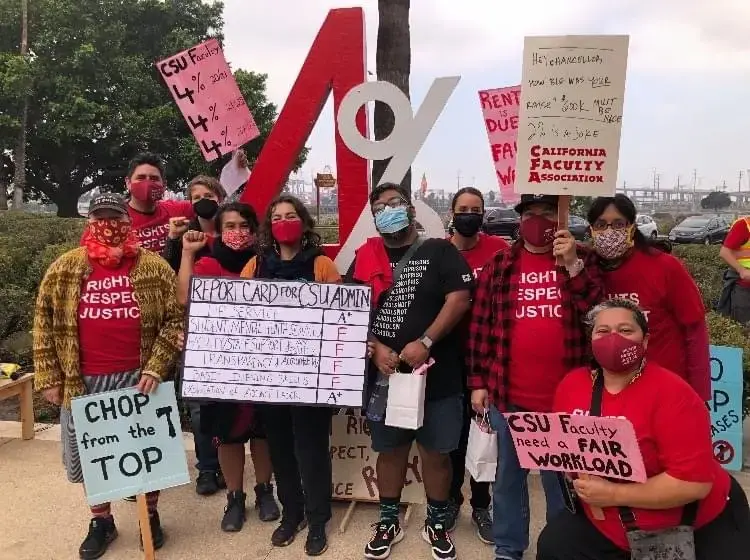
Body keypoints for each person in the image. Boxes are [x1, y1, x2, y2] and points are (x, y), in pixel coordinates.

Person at [537, 298, 750, 560]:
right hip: (609, 528)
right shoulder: (571, 387)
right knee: (554, 544)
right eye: (602, 331)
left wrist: (613, 494)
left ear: (645, 341)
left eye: (626, 330)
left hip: (696, 526)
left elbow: (693, 484)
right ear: (590, 341)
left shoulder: (674, 394)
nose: (613, 338)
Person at [33, 194, 183, 559]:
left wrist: (156, 366)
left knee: (149, 454)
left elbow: (174, 320)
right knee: (94, 458)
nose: (108, 224)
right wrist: (49, 377)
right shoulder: (65, 267)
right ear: (89, 221)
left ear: (126, 220)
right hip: (82, 380)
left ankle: (150, 513)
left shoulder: (154, 267)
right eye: (100, 217)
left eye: (114, 217)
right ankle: (102, 520)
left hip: (141, 379)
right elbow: (44, 322)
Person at [467, 194, 604, 560]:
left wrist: (572, 265)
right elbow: (481, 326)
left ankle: (560, 550)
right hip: (507, 395)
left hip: (564, 400)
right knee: (507, 481)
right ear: (520, 219)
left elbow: (598, 316)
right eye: (531, 214)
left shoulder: (583, 259)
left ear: (559, 220)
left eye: (547, 214)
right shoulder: (501, 263)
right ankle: (509, 547)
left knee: (560, 486)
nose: (538, 220)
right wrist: (478, 382)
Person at [350, 183, 473, 560]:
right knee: (391, 451)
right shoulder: (365, 256)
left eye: (395, 203)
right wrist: (376, 349)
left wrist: (427, 342)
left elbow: (460, 298)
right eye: (380, 207)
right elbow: (353, 308)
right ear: (373, 219)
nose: (388, 210)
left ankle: (436, 521)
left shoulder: (440, 250)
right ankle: (388, 520)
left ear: (411, 210)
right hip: (387, 378)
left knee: (436, 454)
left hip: (439, 374)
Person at [240, 194, 341, 556]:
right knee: (281, 450)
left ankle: (317, 520)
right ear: (270, 226)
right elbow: (240, 318)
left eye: (291, 215)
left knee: (312, 450)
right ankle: (291, 514)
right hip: (270, 378)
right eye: (277, 216)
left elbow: (338, 322)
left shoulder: (322, 265)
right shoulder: (255, 267)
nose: (284, 221)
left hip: (310, 378)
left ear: (303, 222)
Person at [177, 202, 280, 529]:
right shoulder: (208, 264)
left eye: (244, 225)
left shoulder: (267, 264)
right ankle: (235, 497)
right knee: (230, 435)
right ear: (219, 231)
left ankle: (265, 490)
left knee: (263, 434)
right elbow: (184, 299)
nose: (238, 232)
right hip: (223, 366)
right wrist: (187, 253)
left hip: (264, 363)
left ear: (255, 230)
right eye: (231, 225)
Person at [587, 194, 711, 400]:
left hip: (665, 390)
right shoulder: (587, 274)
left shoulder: (664, 267)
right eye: (601, 224)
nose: (609, 232)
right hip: (610, 393)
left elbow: (695, 331)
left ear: (632, 228)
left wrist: (698, 394)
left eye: (618, 224)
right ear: (591, 229)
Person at [446, 187, 508, 543]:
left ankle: (482, 505)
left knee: (485, 436)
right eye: (463, 209)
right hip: (447, 360)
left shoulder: (500, 251)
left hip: (486, 359)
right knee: (453, 439)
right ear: (452, 213)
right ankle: (452, 500)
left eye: (476, 209)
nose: (469, 214)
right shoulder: (439, 251)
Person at [82, 153, 194, 252]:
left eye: (154, 179)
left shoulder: (178, 210)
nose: (147, 183)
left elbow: (207, 202)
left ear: (164, 185)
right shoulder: (112, 218)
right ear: (128, 183)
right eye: (141, 178)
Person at [162, 174, 227, 273]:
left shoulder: (231, 229)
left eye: (208, 196)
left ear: (220, 199)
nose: (203, 200)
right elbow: (168, 269)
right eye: (197, 197)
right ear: (191, 203)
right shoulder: (185, 235)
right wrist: (172, 237)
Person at [719, 214, 750, 324]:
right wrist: (741, 270)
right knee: (744, 327)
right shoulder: (743, 225)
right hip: (745, 287)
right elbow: (724, 252)